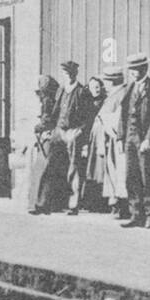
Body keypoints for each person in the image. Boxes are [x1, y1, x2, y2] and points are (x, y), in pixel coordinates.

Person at [119, 53, 150, 228]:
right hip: (130, 138)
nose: (133, 72)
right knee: (131, 177)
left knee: (148, 177)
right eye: (131, 69)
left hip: (144, 139)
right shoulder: (130, 88)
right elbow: (123, 114)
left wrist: (148, 139)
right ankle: (136, 214)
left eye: (136, 69)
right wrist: (122, 137)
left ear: (144, 68)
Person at [53, 60, 96, 215]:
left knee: (73, 167)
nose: (67, 76)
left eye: (69, 73)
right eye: (65, 73)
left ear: (75, 74)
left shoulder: (82, 92)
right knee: (57, 165)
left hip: (73, 133)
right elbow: (55, 112)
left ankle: (74, 202)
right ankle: (56, 201)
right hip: (60, 131)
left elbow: (90, 116)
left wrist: (79, 131)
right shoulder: (61, 90)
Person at [88, 65, 130, 219]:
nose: (104, 84)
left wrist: (104, 122)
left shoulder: (121, 94)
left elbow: (118, 118)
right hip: (109, 140)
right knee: (113, 174)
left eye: (106, 81)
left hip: (115, 140)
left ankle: (121, 207)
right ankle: (117, 205)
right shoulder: (115, 94)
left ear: (112, 81)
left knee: (119, 173)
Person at [27, 75, 66, 214]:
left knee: (42, 171)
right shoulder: (54, 99)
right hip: (52, 138)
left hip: (48, 138)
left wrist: (38, 127)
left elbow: (47, 119)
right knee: (46, 171)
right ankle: (42, 203)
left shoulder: (47, 101)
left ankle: (39, 203)